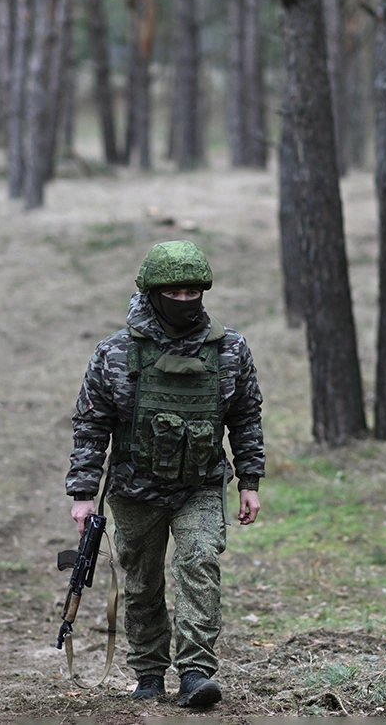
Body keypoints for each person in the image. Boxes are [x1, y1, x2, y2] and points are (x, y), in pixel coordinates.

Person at [65, 239, 265, 708]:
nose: (183, 300)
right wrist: (83, 493)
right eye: (173, 293)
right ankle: (149, 672)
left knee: (199, 562)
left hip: (201, 484)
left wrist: (250, 481)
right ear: (152, 294)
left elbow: (246, 417)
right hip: (135, 488)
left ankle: (195, 672)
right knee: (142, 582)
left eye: (192, 292)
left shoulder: (230, 349)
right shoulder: (115, 353)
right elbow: (91, 425)